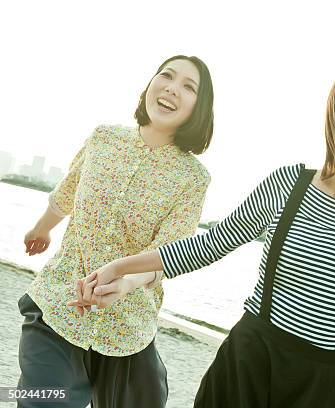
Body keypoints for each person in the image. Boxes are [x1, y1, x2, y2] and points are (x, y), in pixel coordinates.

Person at [73, 62, 335, 408]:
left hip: (329, 387)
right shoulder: (289, 185)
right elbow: (209, 245)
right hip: (247, 367)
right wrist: (120, 267)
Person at [19, 55, 214, 408]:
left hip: (128, 328)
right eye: (166, 76)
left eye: (189, 87)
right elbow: (67, 193)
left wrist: (126, 283)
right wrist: (41, 229)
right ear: (150, 85)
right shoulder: (104, 138)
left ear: (200, 108)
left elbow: (169, 254)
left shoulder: (193, 179)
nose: (173, 88)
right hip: (59, 303)